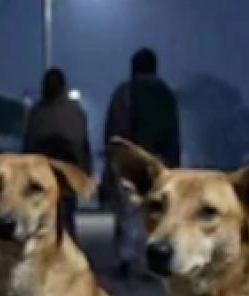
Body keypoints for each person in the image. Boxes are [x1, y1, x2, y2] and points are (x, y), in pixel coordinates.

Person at [103, 48, 180, 279]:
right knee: (155, 212)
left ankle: (127, 259)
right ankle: (152, 260)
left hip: (131, 162)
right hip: (161, 163)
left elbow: (114, 129)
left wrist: (113, 160)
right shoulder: (166, 94)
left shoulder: (124, 92)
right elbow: (174, 134)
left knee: (128, 211)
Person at [23, 67, 92, 239]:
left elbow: (29, 145)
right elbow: (82, 145)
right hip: (66, 172)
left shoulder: (37, 112)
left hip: (41, 173)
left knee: (43, 217)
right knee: (66, 216)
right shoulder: (74, 112)